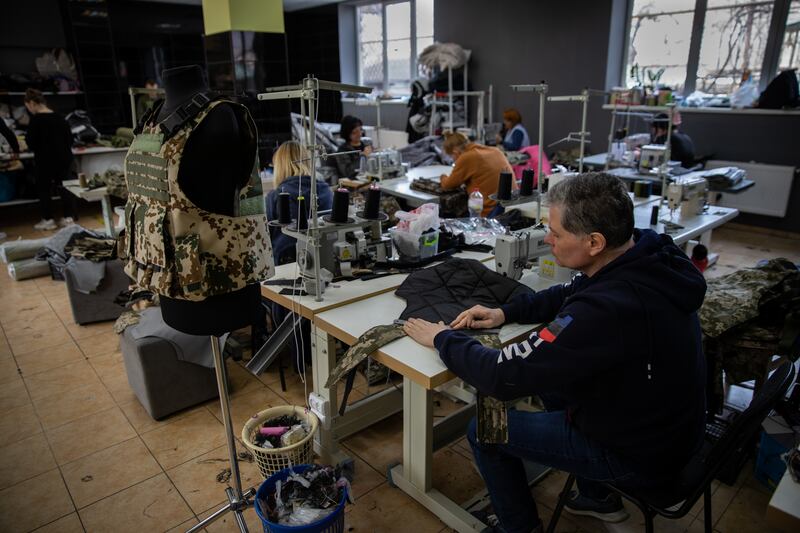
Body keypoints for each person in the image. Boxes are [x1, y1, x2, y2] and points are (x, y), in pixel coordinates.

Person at [403, 172, 707, 533]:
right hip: (666, 426)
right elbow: (570, 292)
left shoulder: (605, 311)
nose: (547, 240)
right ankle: (595, 497)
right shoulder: (647, 253)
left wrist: (442, 339)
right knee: (550, 385)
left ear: (594, 241)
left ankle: (520, 527)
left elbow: (503, 376)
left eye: (556, 233)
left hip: (636, 454)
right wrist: (505, 312)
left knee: (485, 431)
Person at [266, 140, 333, 264]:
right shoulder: (326, 190)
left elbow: (266, 237)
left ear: (279, 166)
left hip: (287, 262)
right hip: (326, 258)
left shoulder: (276, 196)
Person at [24, 88, 78, 230]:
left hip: (45, 160)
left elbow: (30, 142)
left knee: (44, 189)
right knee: (65, 187)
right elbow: (70, 139)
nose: (29, 110)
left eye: (28, 107)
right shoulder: (60, 118)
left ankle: (48, 219)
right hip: (64, 158)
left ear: (31, 103)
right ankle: (68, 217)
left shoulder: (35, 120)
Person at [440, 132, 514, 217]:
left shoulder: (467, 157)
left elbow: (448, 185)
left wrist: (443, 177)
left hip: (491, 212)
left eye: (451, 156)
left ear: (455, 152)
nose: (453, 160)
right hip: (512, 206)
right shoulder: (495, 150)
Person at [334, 115, 372, 180]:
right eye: (355, 132)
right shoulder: (342, 150)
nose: (359, 134)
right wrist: (363, 157)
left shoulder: (365, 145)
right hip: (352, 185)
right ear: (347, 133)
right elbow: (347, 172)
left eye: (360, 130)